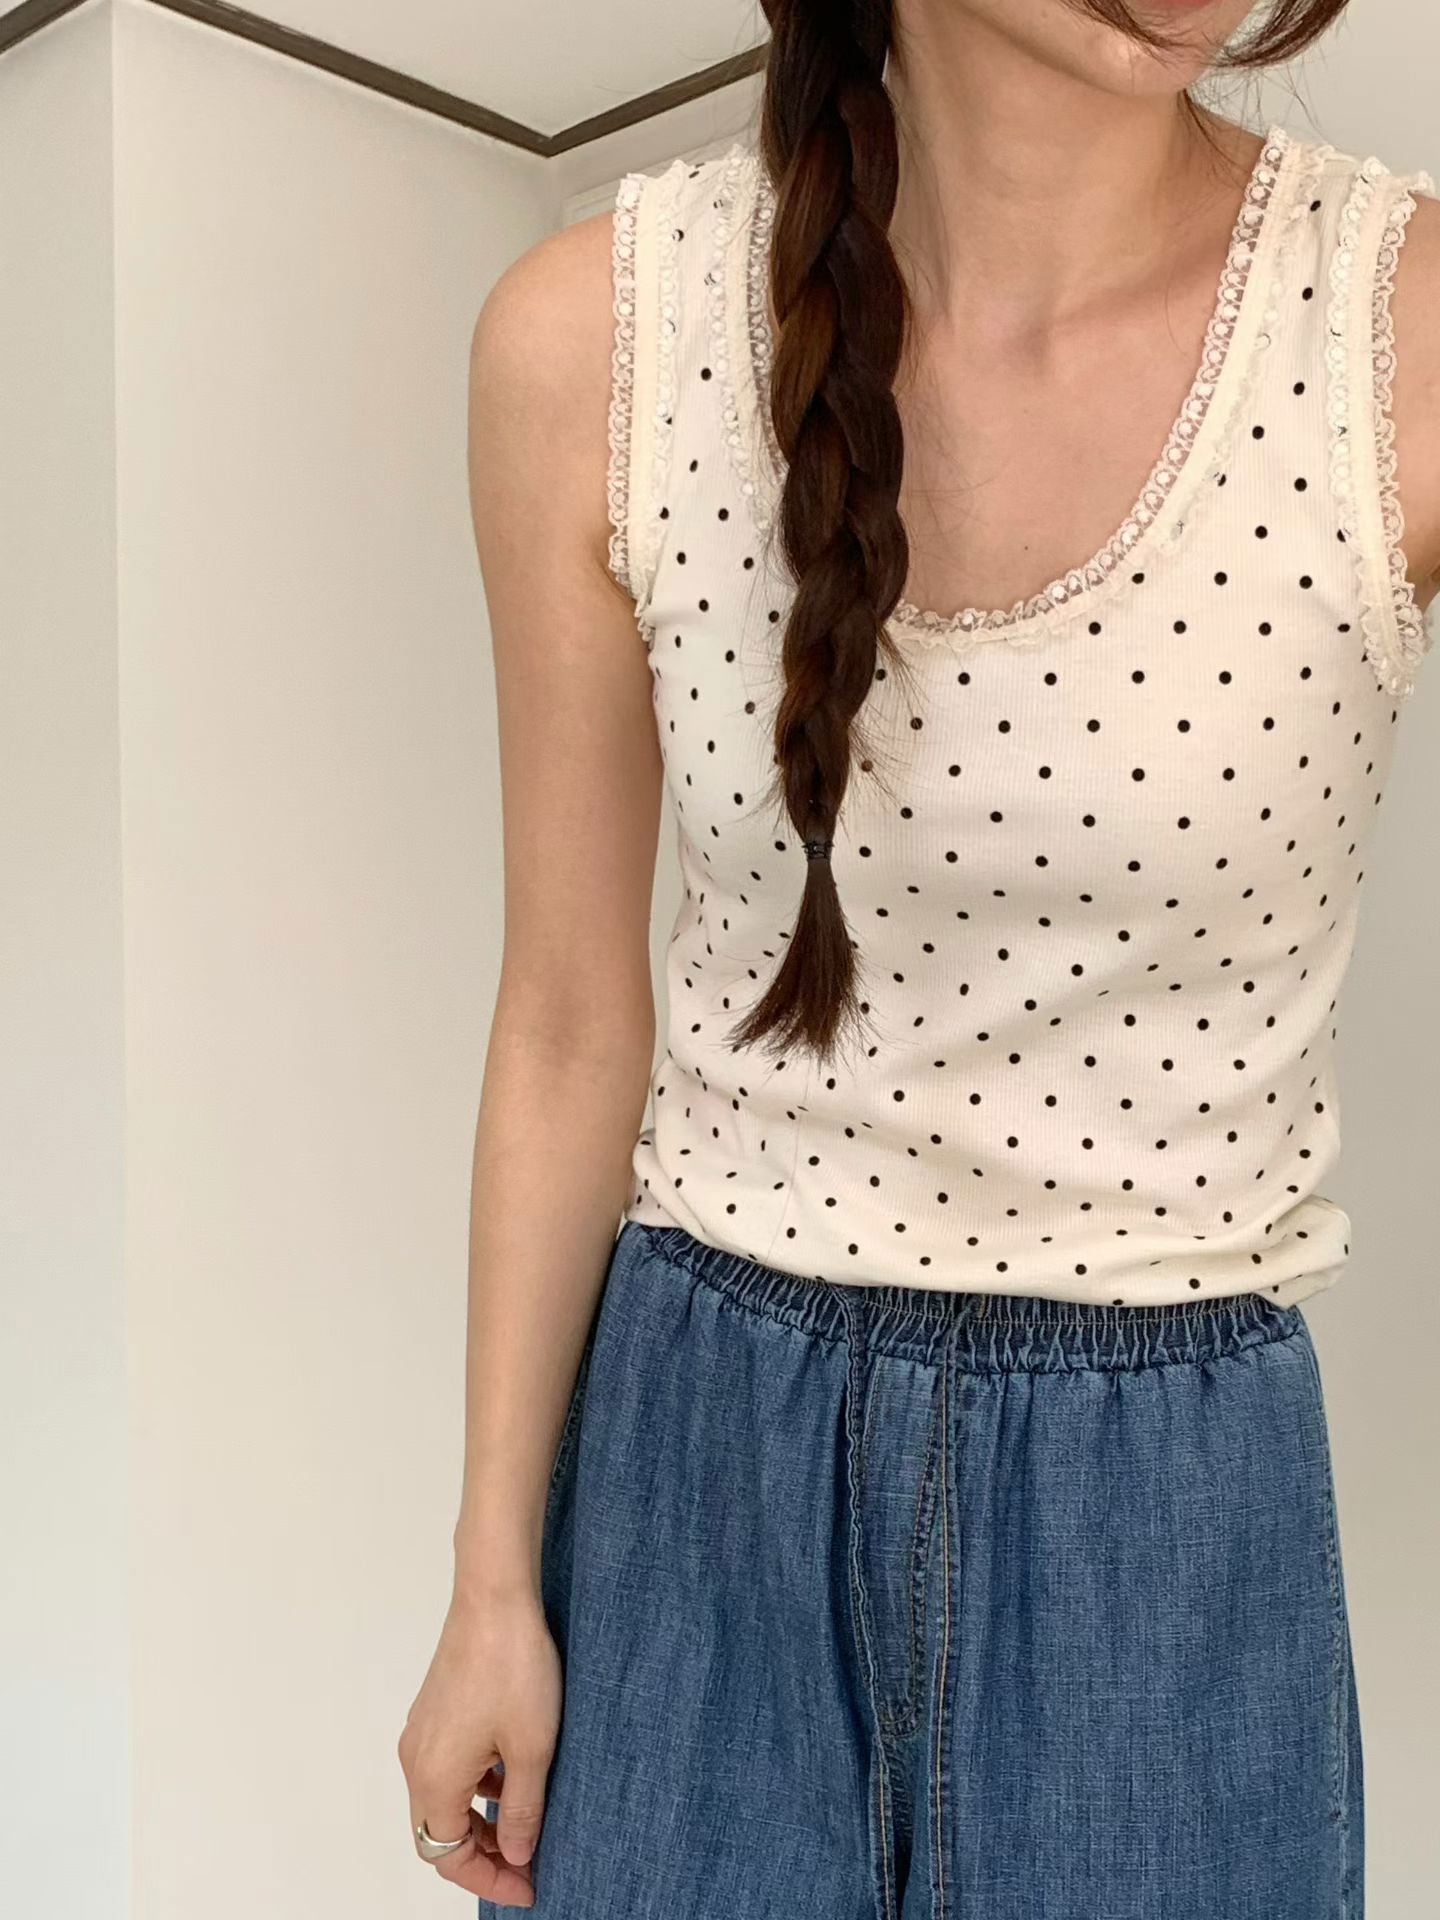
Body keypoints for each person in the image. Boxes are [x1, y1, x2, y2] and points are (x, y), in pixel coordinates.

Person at [397, 2, 1440, 1914]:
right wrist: (490, 1578)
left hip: (1165, 1520)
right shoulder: (594, 341)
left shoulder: (1397, 327)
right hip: (698, 1476)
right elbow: (565, 1020)